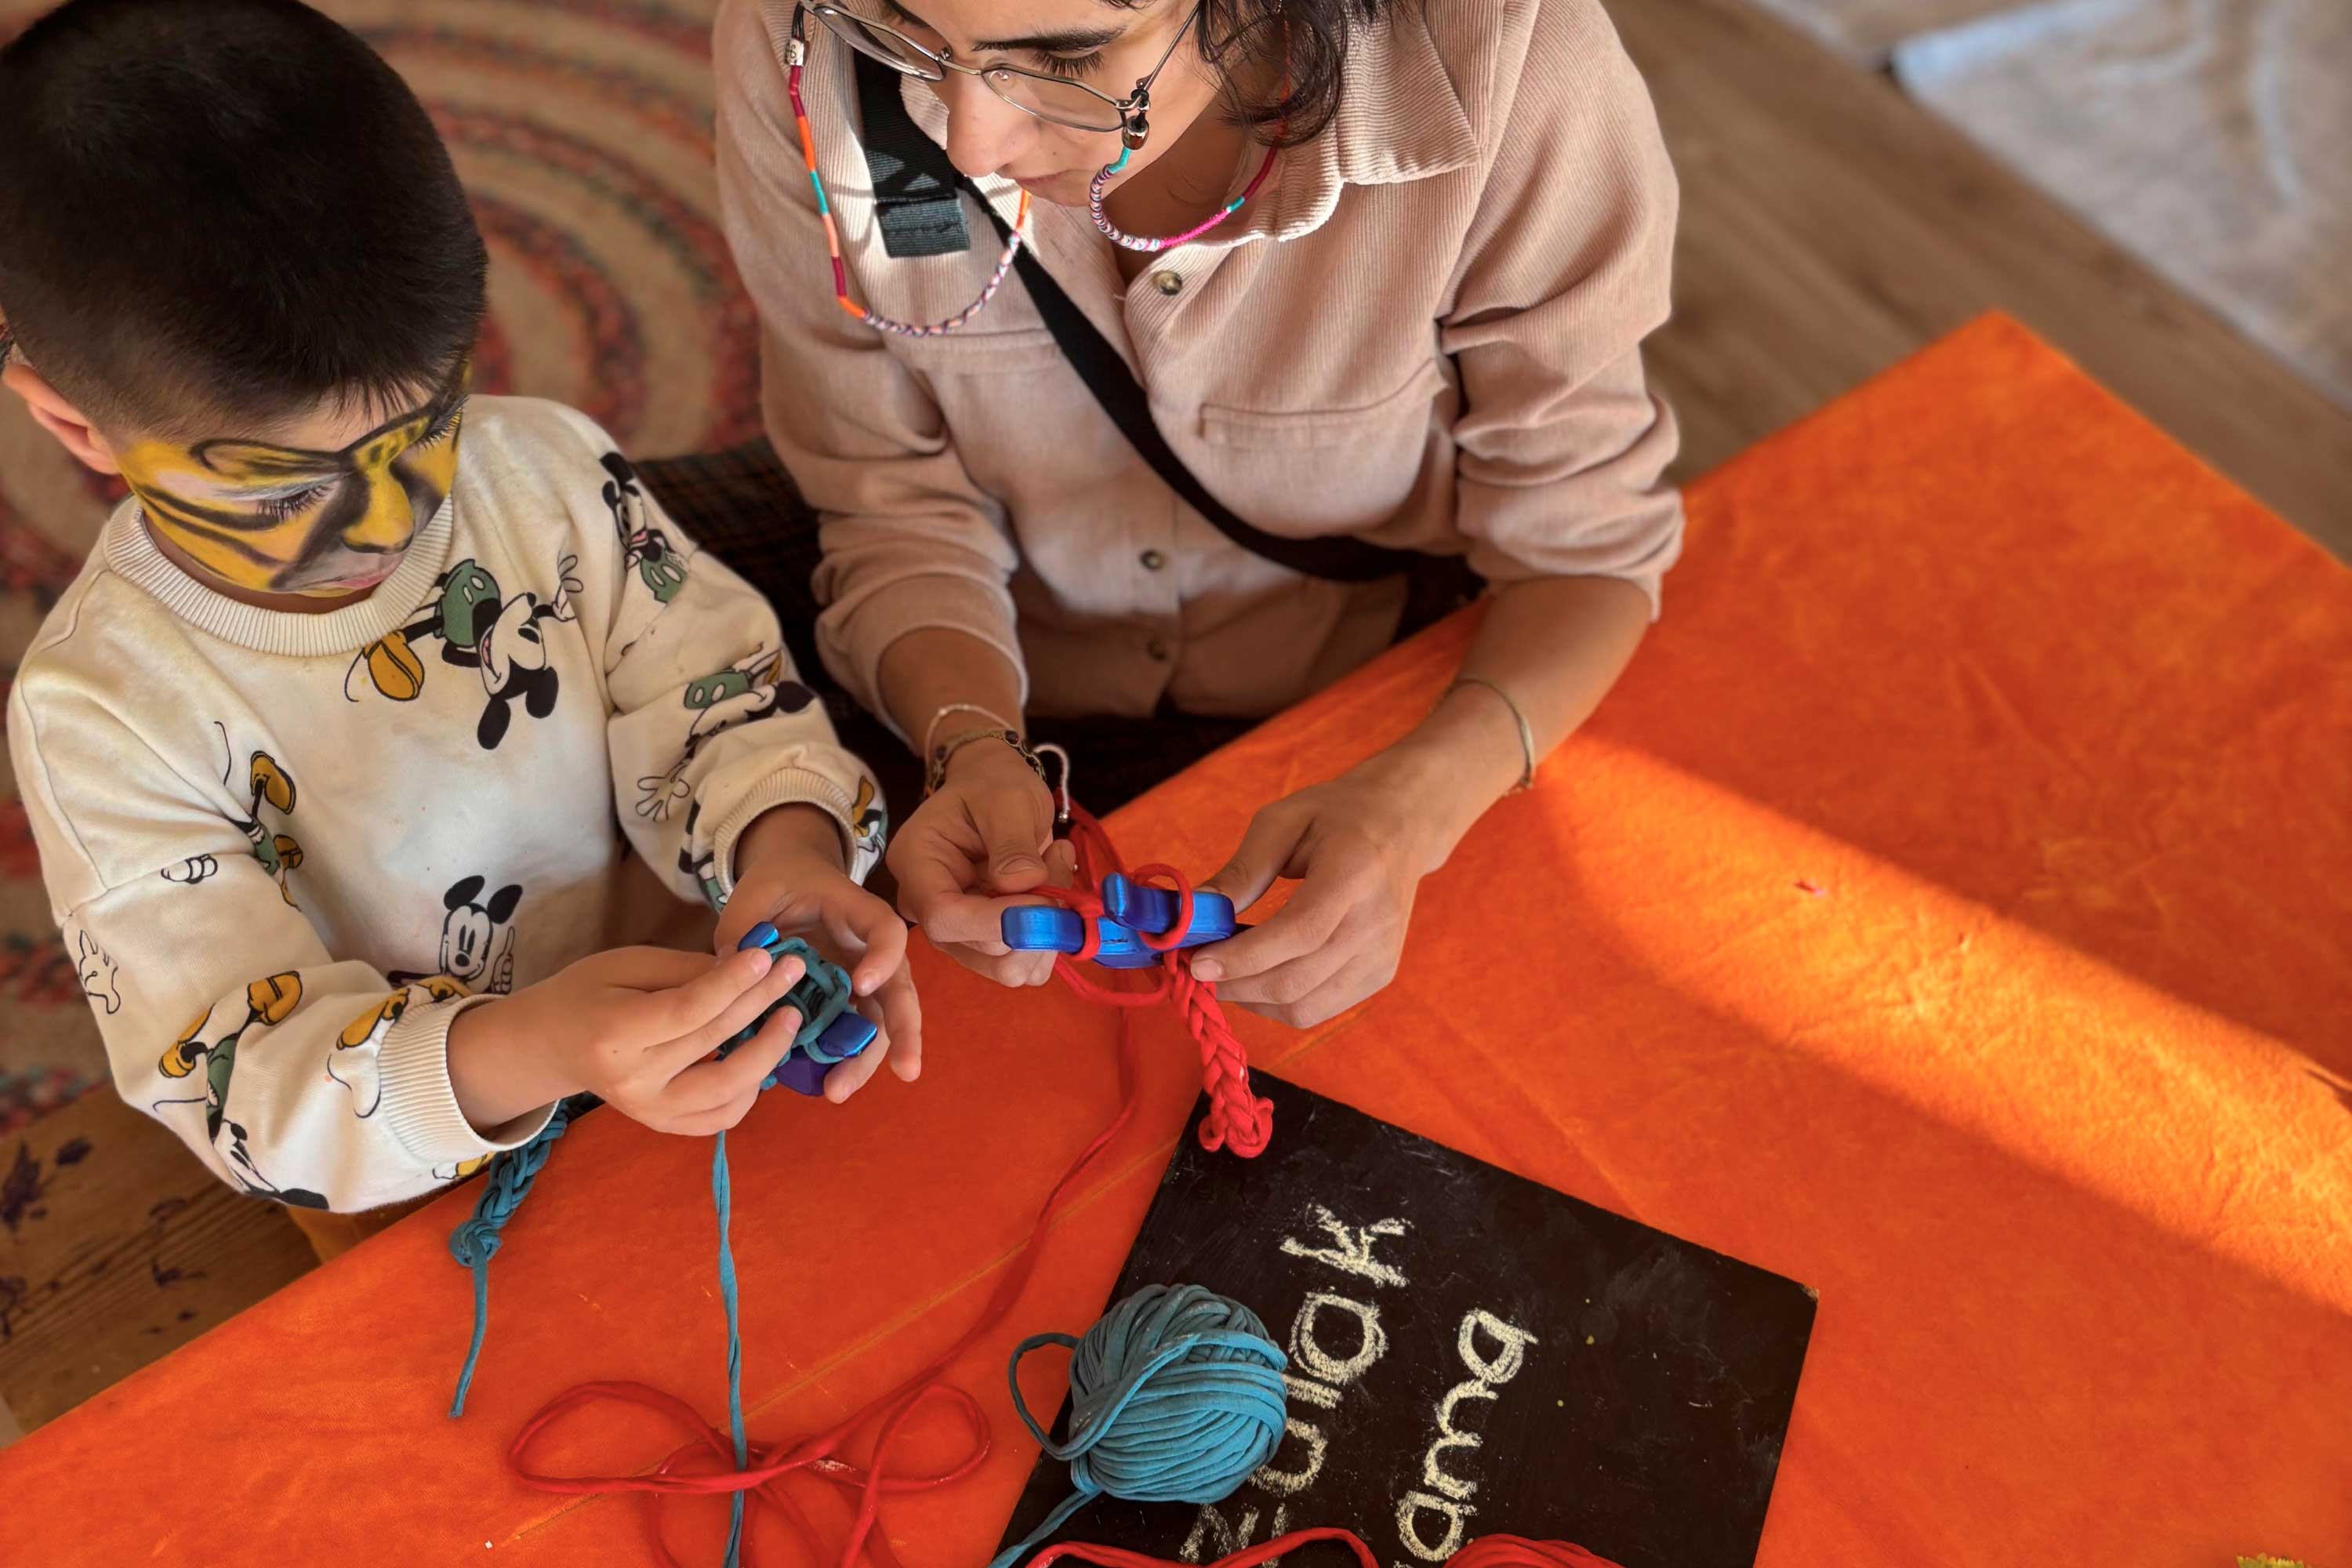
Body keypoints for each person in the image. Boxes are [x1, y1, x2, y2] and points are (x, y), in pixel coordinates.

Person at [0, 0, 917, 1242]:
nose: (386, 523)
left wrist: (788, 848)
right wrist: (533, 1046)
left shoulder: (540, 472)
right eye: (282, 489)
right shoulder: (102, 714)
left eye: (428, 422)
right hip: (424, 1189)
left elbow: (716, 689)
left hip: (718, 1055)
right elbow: (241, 1077)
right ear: (72, 426)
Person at [713, 0, 1684, 1027]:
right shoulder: (806, 35)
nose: (968, 142)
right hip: (972, 681)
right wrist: (970, 742)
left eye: (1065, 57)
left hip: (1352, 725)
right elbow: (889, 509)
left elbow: (1583, 552)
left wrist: (1414, 807)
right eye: (908, 32)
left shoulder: (1511, 70)